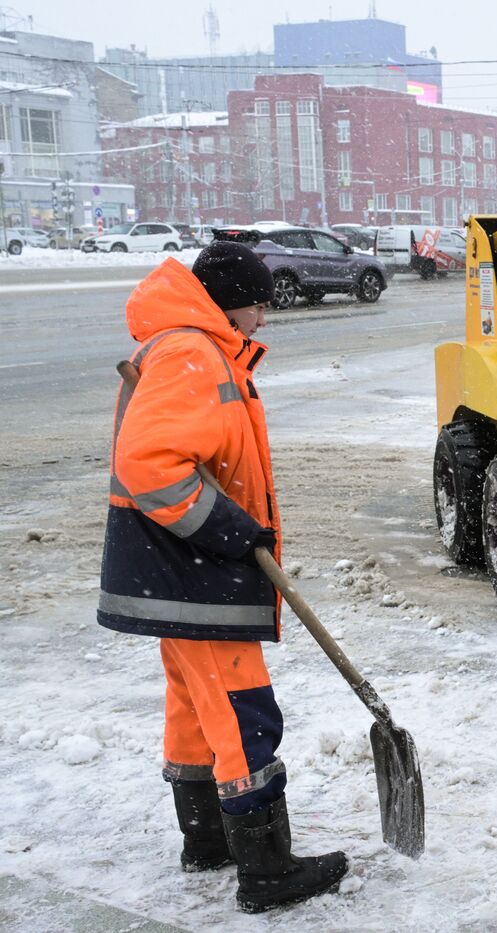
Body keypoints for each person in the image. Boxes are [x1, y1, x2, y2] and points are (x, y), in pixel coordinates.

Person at [99, 242, 348, 913]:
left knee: (194, 708)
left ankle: (208, 839)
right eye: (258, 304)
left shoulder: (187, 345)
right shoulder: (192, 351)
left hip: (174, 571)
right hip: (196, 570)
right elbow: (150, 465)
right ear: (228, 300)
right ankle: (266, 870)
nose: (263, 318)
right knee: (242, 714)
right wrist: (230, 530)